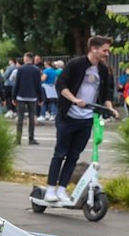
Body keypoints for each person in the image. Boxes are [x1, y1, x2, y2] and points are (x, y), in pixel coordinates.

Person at [44, 36, 120, 202]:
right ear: (93, 48)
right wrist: (74, 100)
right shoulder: (76, 64)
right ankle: (50, 189)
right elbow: (61, 85)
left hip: (86, 119)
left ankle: (62, 189)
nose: (107, 54)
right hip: (68, 116)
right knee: (60, 153)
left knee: (74, 155)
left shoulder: (103, 70)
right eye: (104, 50)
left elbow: (106, 93)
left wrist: (110, 108)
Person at [10, 55, 43, 145]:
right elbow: (38, 85)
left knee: (20, 118)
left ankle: (18, 139)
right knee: (31, 118)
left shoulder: (20, 69)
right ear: (32, 59)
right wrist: (41, 98)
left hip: (21, 96)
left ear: (26, 59)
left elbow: (17, 84)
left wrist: (14, 97)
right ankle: (31, 138)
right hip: (32, 97)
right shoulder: (36, 70)